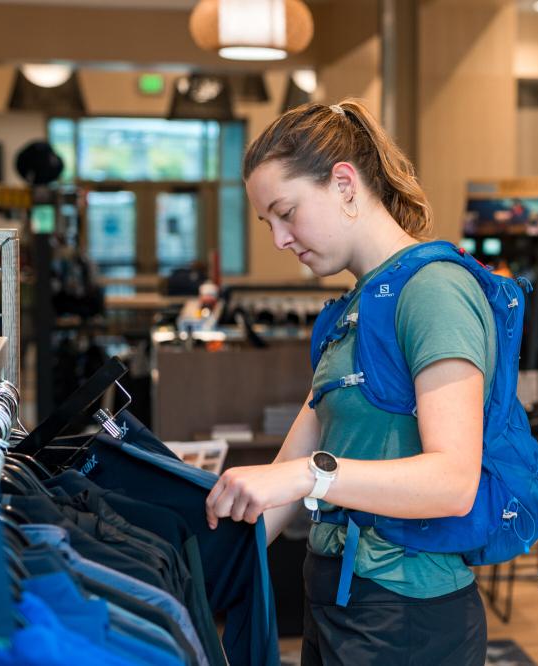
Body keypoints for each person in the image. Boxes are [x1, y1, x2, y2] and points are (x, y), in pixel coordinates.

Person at [204, 100, 490, 665]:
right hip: (338, 595)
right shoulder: (352, 309)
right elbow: (282, 480)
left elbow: (454, 481)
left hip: (406, 609)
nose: (280, 240)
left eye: (287, 212)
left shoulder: (433, 291)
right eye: (268, 223)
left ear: (343, 182)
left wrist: (305, 479)